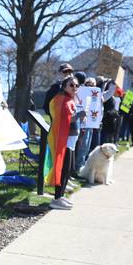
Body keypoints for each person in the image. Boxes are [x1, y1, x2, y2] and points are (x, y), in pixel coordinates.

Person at [45, 75, 85, 209]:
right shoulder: (61, 99)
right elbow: (64, 119)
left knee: (69, 169)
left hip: (71, 140)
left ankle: (61, 196)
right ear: (64, 86)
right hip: (64, 140)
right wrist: (80, 115)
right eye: (71, 85)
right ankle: (56, 199)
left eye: (76, 85)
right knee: (62, 169)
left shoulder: (70, 100)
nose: (75, 87)